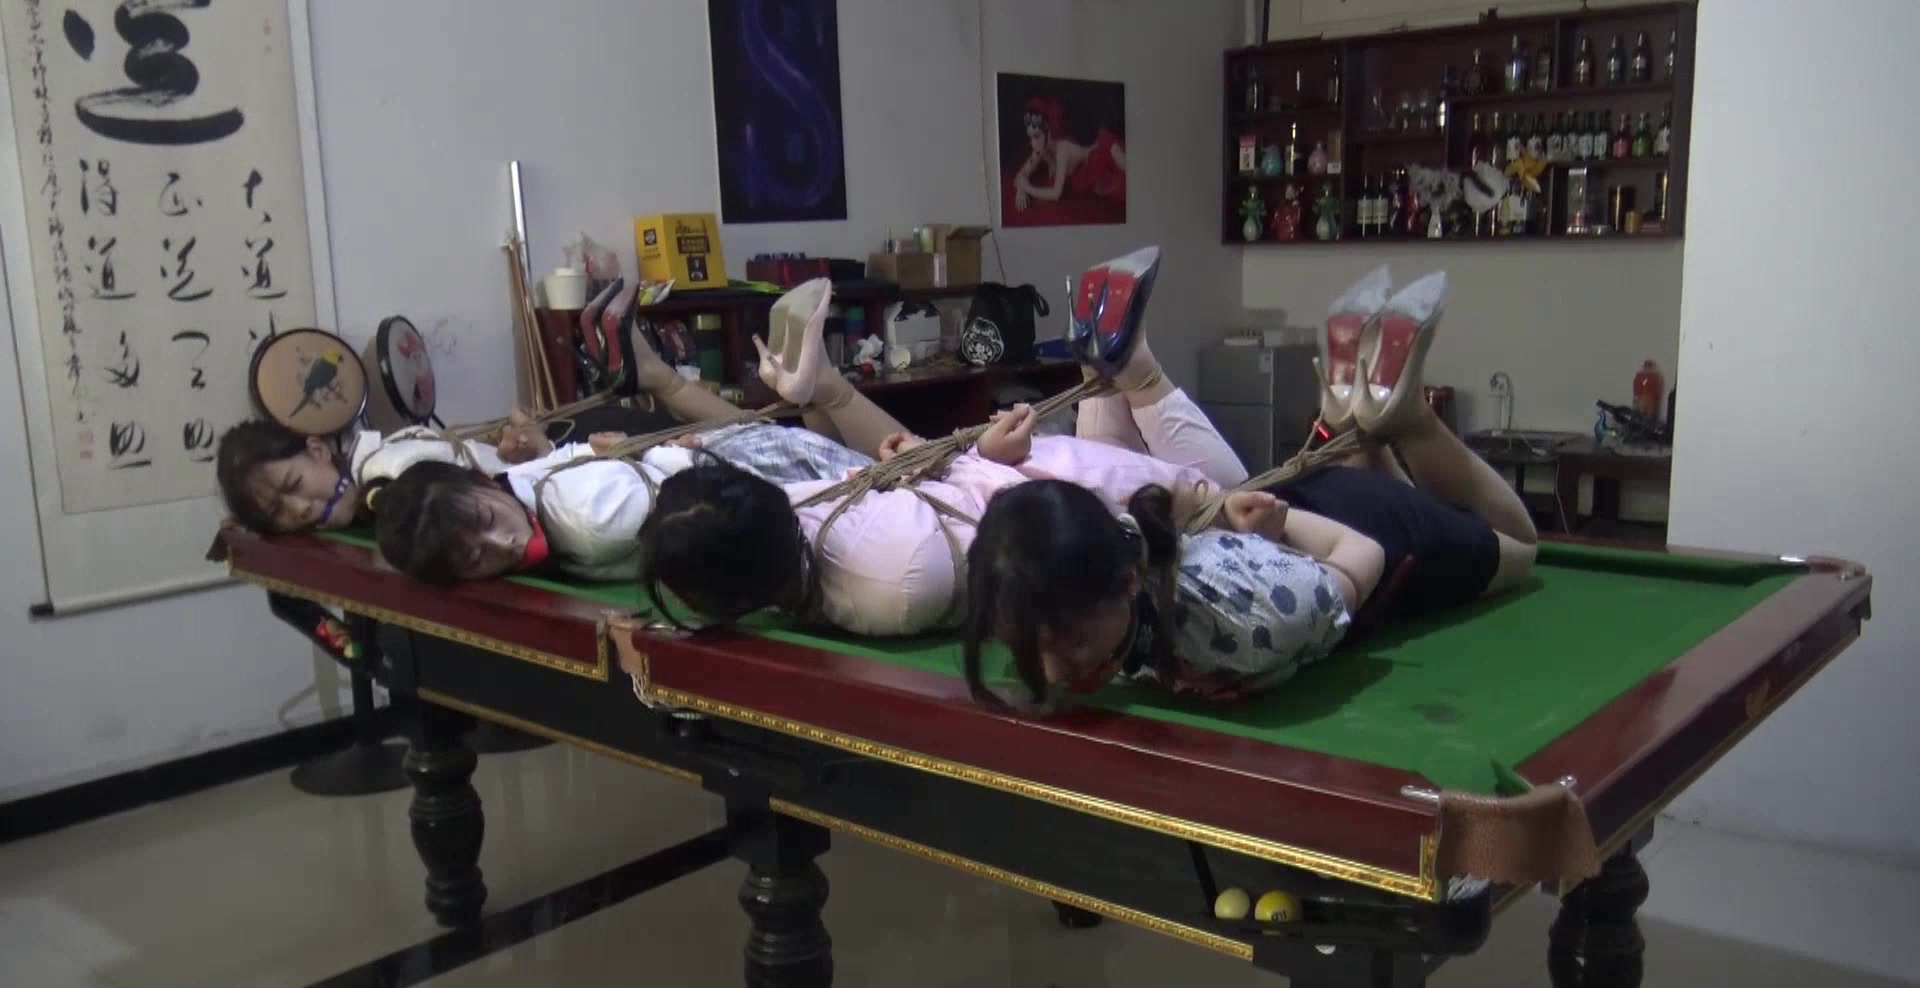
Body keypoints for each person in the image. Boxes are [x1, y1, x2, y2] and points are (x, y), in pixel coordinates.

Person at [962, 268, 1540, 706]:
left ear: (1129, 580)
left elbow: (1363, 552)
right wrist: (1233, 521)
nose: (1054, 671)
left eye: (1073, 642)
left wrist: (1265, 526)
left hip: (1372, 538)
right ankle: (1354, 416)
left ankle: (1409, 418)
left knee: (1520, 544)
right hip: (1299, 509)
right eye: (1032, 649)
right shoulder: (1089, 561)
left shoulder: (1245, 630)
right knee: (1362, 470)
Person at [639, 250, 1252, 637]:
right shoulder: (892, 571)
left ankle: (1106, 370)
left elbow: (890, 474)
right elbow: (994, 512)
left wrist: (915, 458)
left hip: (997, 494)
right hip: (1042, 503)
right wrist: (979, 455)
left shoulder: (794, 550)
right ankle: (1135, 370)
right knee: (1226, 498)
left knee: (1106, 432)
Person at [371, 283, 892, 584]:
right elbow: (692, 508)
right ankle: (820, 387)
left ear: (484, 482)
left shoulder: (555, 502)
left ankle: (810, 387)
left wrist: (559, 448)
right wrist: (646, 454)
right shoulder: (580, 518)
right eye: (475, 558)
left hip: (730, 468)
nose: (503, 543)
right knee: (899, 474)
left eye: (488, 521)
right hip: (731, 477)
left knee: (887, 465)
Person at [214, 313, 780, 537]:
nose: (300, 509)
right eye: (278, 513)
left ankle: (659, 377)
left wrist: (530, 449)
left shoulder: (386, 472)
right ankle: (660, 378)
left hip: (580, 449)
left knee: (764, 445)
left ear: (318, 451)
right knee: (754, 447)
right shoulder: (373, 491)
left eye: (292, 486)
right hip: (569, 465)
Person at [1014, 96, 1128, 212]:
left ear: (1049, 132)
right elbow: (1022, 173)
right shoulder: (1041, 149)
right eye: (1030, 137)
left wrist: (1026, 187)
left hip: (1099, 154)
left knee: (1127, 174)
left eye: (1037, 136)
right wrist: (1020, 191)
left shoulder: (1062, 150)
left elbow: (1056, 194)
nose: (1033, 144)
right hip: (1082, 175)